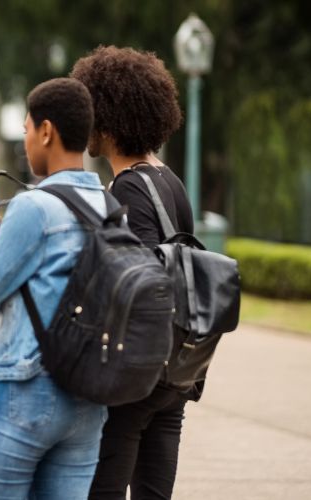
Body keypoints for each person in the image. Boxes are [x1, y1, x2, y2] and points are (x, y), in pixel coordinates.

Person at [0, 78, 108, 499]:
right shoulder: (110, 206)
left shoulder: (35, 206)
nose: (27, 141)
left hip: (27, 392)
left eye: (26, 130)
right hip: (89, 400)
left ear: (47, 131)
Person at [71, 45, 192, 500]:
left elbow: (137, 279)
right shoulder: (169, 180)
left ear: (108, 120)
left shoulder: (129, 187)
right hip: (175, 369)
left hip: (138, 374)